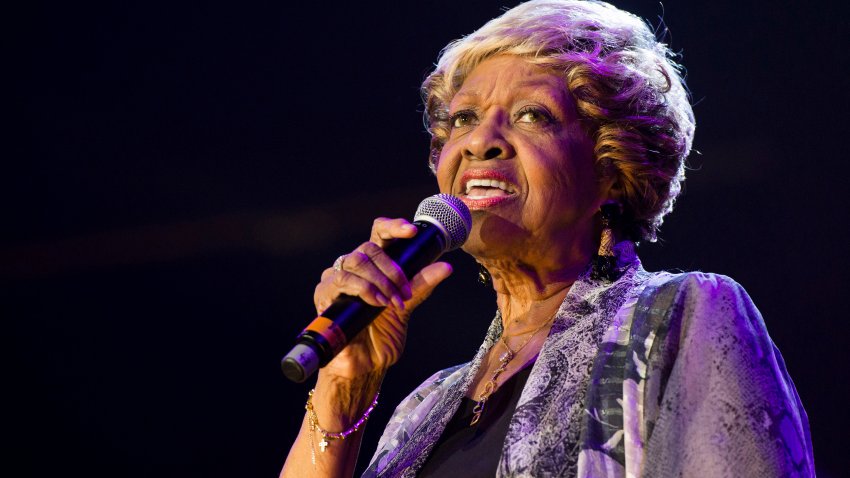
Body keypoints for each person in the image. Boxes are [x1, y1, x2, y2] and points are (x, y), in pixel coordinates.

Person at [280, 1, 814, 476]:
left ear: (611, 168)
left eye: (533, 115)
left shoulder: (682, 318)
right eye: (464, 118)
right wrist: (342, 391)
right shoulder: (421, 410)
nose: (480, 142)